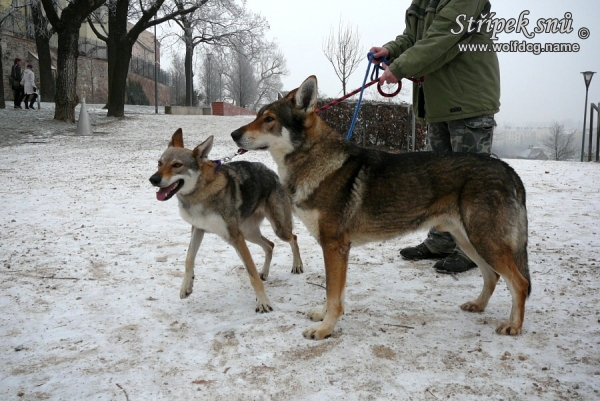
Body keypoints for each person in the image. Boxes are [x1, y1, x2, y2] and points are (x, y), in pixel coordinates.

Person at [370, 0, 500, 274]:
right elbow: (414, 37)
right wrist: (391, 50)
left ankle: (473, 250)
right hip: (437, 102)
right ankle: (441, 240)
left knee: (470, 186)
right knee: (438, 183)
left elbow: (443, 36)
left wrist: (401, 66)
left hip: (469, 100)